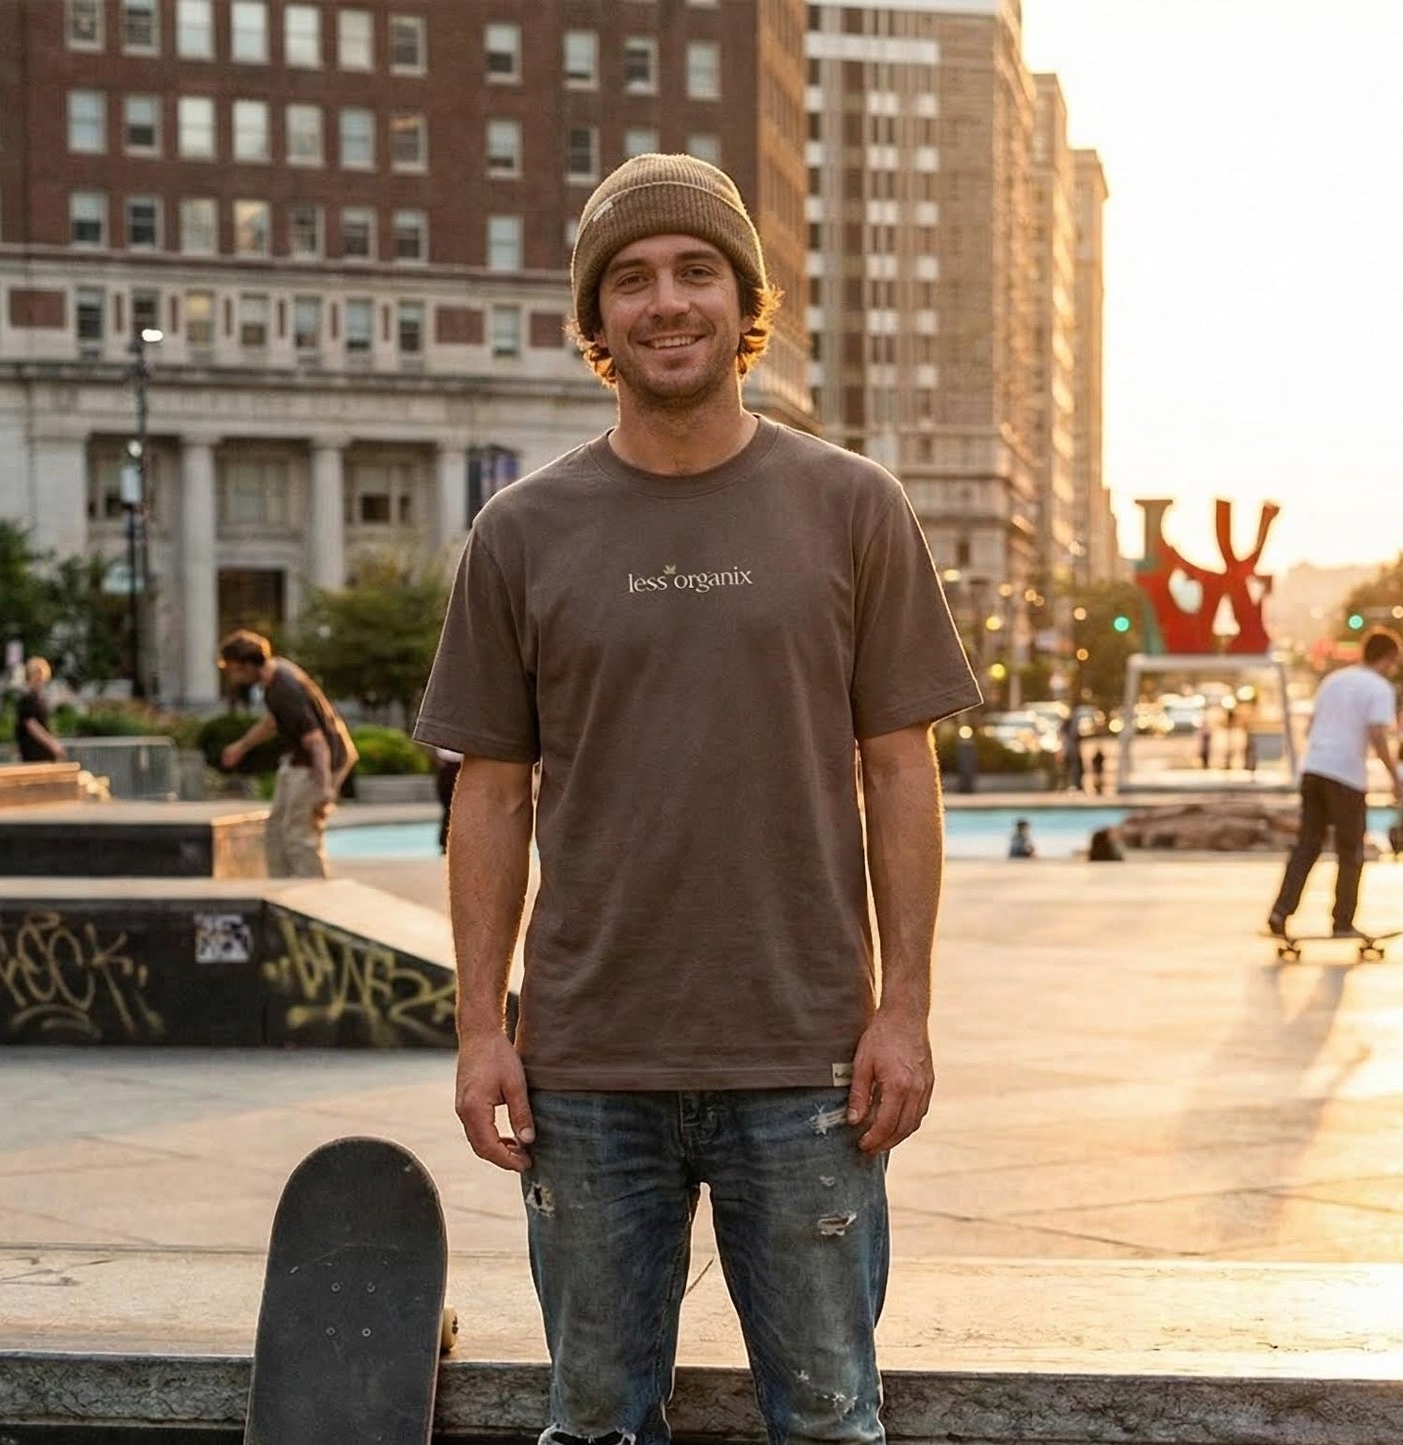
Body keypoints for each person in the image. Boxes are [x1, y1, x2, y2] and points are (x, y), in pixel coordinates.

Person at [414, 153, 981, 1445]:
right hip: (586, 1068)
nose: (664, 302)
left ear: (745, 305)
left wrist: (903, 1010)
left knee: (831, 1422)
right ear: (594, 322)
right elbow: (491, 796)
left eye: (694, 273)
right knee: (596, 1421)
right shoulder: (519, 531)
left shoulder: (852, 506)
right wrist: (477, 1029)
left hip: (808, 1064)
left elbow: (900, 771)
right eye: (630, 281)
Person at [1267, 627, 1402, 938]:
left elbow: (1312, 725)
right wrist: (1394, 778)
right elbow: (1377, 734)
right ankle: (1342, 921)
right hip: (1346, 775)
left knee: (1308, 844)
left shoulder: (1334, 680)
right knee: (1350, 849)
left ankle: (1280, 912)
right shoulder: (1379, 688)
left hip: (1313, 768)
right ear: (1388, 659)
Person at [216, 630, 357, 878]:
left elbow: (317, 743)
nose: (234, 677)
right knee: (276, 830)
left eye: (236, 670)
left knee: (299, 834)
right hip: (301, 761)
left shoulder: (284, 689)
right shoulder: (277, 673)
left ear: (249, 665)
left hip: (319, 764)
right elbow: (272, 722)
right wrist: (241, 746)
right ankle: (280, 891)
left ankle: (313, 897)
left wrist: (325, 788)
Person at [15, 657, 67, 763]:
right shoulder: (27, 699)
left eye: (41, 676)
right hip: (34, 754)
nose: (40, 680)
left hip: (44, 753)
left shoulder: (40, 699)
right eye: (36, 675)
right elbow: (32, 725)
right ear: (29, 676)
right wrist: (52, 744)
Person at [433, 746, 462, 853]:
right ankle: (446, 843)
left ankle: (449, 843)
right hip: (447, 766)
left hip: (463, 766)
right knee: (449, 809)